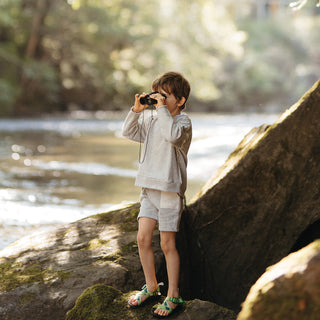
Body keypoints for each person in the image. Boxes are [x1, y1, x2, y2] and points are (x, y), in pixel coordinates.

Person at [122, 71, 192, 318]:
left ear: (180, 100)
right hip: (149, 188)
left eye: (165, 95)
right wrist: (136, 110)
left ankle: (173, 294)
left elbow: (172, 136)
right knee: (142, 238)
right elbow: (128, 133)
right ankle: (151, 286)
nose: (159, 99)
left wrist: (161, 110)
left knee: (166, 243)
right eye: (157, 95)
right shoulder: (152, 121)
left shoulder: (183, 123)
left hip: (170, 191)